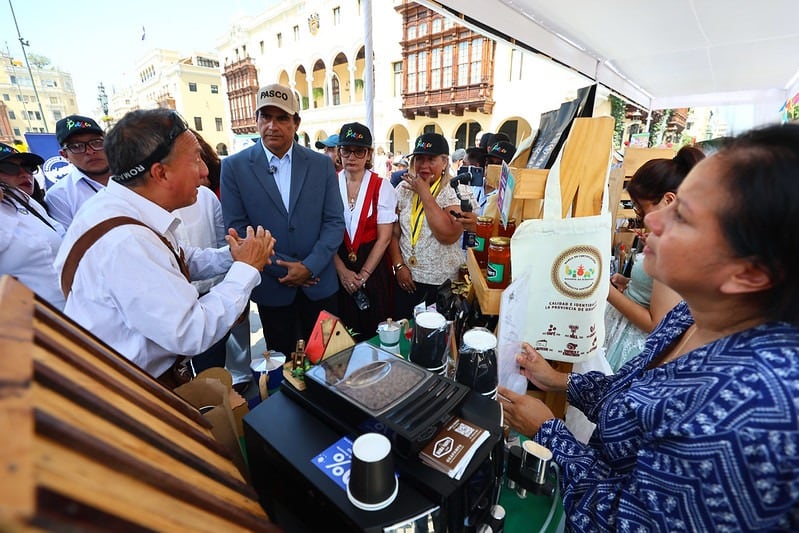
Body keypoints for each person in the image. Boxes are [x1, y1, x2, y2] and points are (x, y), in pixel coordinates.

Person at [499, 123, 799, 531]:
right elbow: (631, 395)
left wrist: (549, 432)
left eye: (684, 216)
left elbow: (627, 522)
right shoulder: (692, 315)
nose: (654, 222)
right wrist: (557, 381)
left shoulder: (748, 416)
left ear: (749, 272)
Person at [54, 109, 275, 385]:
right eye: (196, 160)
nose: (206, 171)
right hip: (136, 391)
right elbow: (192, 331)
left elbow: (176, 259)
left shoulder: (119, 210)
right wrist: (246, 268)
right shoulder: (125, 243)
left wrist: (231, 256)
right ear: (160, 173)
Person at [221, 83, 345, 359]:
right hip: (273, 290)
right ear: (256, 120)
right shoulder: (234, 168)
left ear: (296, 122)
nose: (272, 126)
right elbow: (237, 231)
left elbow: (335, 222)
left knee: (330, 361)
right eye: (265, 117)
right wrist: (285, 270)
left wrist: (310, 266)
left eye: (281, 118)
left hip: (320, 285)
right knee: (284, 366)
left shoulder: (321, 164)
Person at [604, 146, 705, 371]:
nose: (641, 221)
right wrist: (629, 284)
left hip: (634, 349)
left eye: (642, 211)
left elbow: (658, 323)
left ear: (669, 200)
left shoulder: (672, 246)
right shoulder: (678, 238)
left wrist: (606, 292)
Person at [389, 133, 477, 319]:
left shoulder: (457, 190)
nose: (424, 165)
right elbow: (394, 234)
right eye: (419, 159)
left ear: (445, 162)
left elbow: (447, 235)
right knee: (405, 335)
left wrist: (424, 193)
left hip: (442, 284)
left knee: (437, 340)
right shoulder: (403, 189)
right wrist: (398, 266)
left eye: (431, 159)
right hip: (407, 278)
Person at [333, 122, 397, 341]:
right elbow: (322, 232)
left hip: (373, 265)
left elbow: (385, 238)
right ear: (339, 152)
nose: (352, 157)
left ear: (368, 154)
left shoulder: (382, 186)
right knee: (341, 333)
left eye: (359, 151)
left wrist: (363, 276)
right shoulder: (329, 183)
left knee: (372, 328)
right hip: (337, 262)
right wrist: (342, 271)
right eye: (346, 150)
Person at [0, 143, 66, 310]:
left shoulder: (25, 200)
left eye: (29, 167)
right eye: (9, 167)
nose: (24, 174)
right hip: (25, 325)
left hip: (70, 317)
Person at [45, 115, 112, 228]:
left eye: (96, 142)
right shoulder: (59, 195)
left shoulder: (137, 174)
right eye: (76, 146)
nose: (90, 151)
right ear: (65, 155)